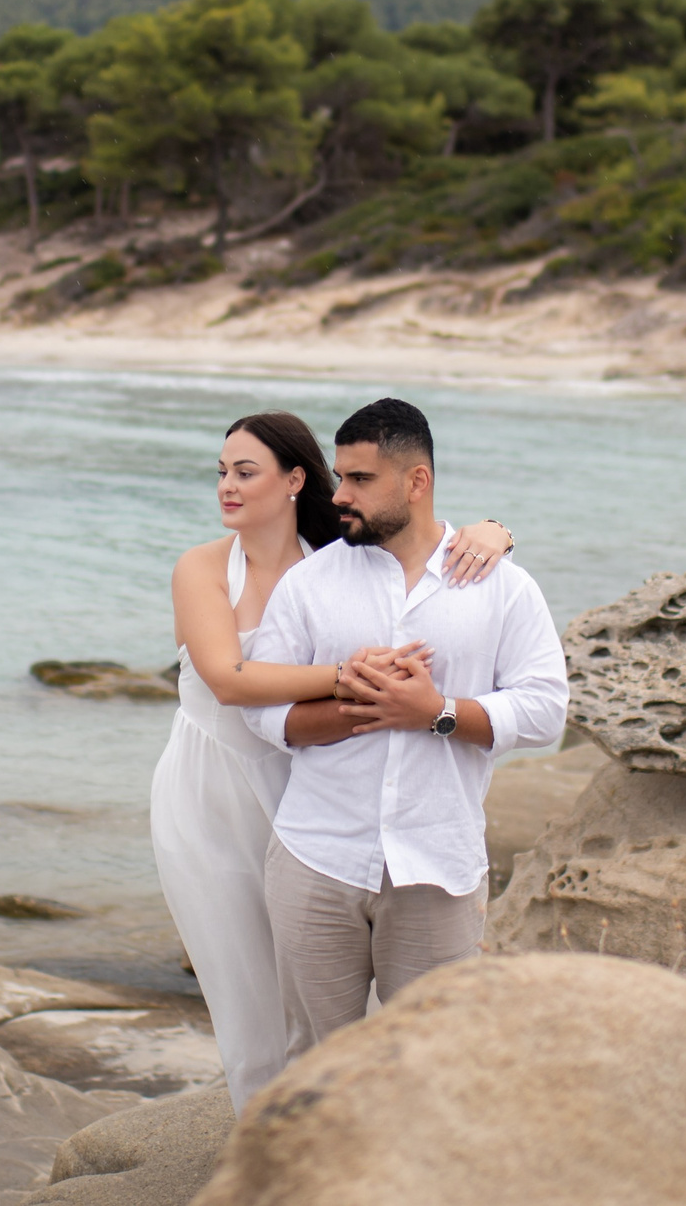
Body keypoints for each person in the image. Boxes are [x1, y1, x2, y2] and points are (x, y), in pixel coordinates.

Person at [151, 410, 517, 1112]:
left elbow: (416, 542)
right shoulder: (202, 568)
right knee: (243, 981)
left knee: (330, 981)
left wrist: (494, 531)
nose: (226, 486)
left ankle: (361, 1127)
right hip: (211, 791)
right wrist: (350, 674)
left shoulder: (335, 558)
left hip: (307, 784)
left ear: (295, 480)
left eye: (245, 471)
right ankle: (266, 1135)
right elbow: (228, 680)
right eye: (221, 472)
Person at [243, 397, 567, 1064]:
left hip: (437, 867)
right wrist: (360, 703)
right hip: (315, 859)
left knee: (436, 1063)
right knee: (316, 1063)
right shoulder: (309, 583)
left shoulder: (504, 587)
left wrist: (436, 711)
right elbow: (263, 712)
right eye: (340, 476)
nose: (340, 494)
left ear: (417, 481)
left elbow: (544, 710)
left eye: (361, 479)